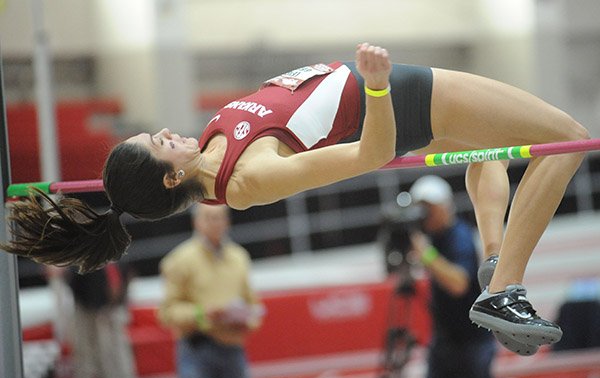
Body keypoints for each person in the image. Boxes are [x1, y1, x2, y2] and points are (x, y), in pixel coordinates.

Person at [2, 43, 590, 352]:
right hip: (401, 98)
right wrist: (380, 85)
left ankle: (493, 261)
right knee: (565, 141)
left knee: (485, 153)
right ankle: (505, 291)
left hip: (397, 95)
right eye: (158, 144)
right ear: (168, 178)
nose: (167, 134)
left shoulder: (209, 144)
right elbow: (370, 157)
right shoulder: (244, 181)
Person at [158, 203, 263, 378]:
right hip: (197, 349)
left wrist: (247, 320)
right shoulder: (180, 260)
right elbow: (167, 312)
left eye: (220, 217)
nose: (216, 223)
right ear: (196, 222)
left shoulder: (239, 257)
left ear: (227, 221)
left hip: (233, 348)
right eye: (209, 217)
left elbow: (252, 304)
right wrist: (202, 314)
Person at [408, 175, 496, 378]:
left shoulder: (460, 235)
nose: (425, 214)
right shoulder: (430, 237)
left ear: (445, 206)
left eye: (430, 208)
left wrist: (426, 255)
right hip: (445, 340)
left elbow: (459, 284)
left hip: (473, 339)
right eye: (421, 208)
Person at [64, 262, 137, 378]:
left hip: (112, 307)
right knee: (88, 350)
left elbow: (126, 271)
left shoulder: (117, 257)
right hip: (88, 307)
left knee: (115, 348)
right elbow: (75, 278)